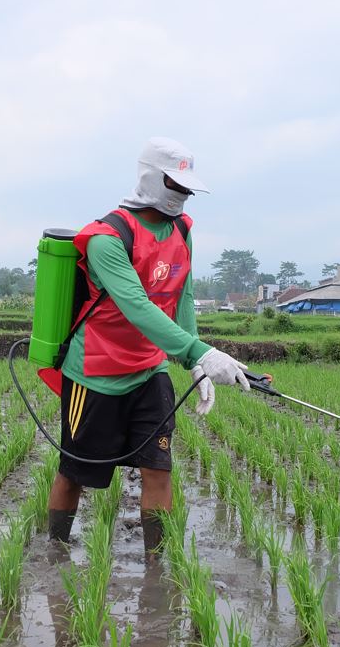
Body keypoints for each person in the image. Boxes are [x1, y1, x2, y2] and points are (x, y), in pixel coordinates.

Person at [47, 136, 252, 559]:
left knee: (158, 468)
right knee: (75, 471)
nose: (184, 195)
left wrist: (188, 361)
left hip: (149, 370)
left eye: (188, 187)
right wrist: (201, 353)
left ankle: (158, 566)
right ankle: (55, 548)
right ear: (150, 177)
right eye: (175, 185)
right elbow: (137, 307)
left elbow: (183, 295)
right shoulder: (107, 238)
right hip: (96, 373)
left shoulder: (182, 229)